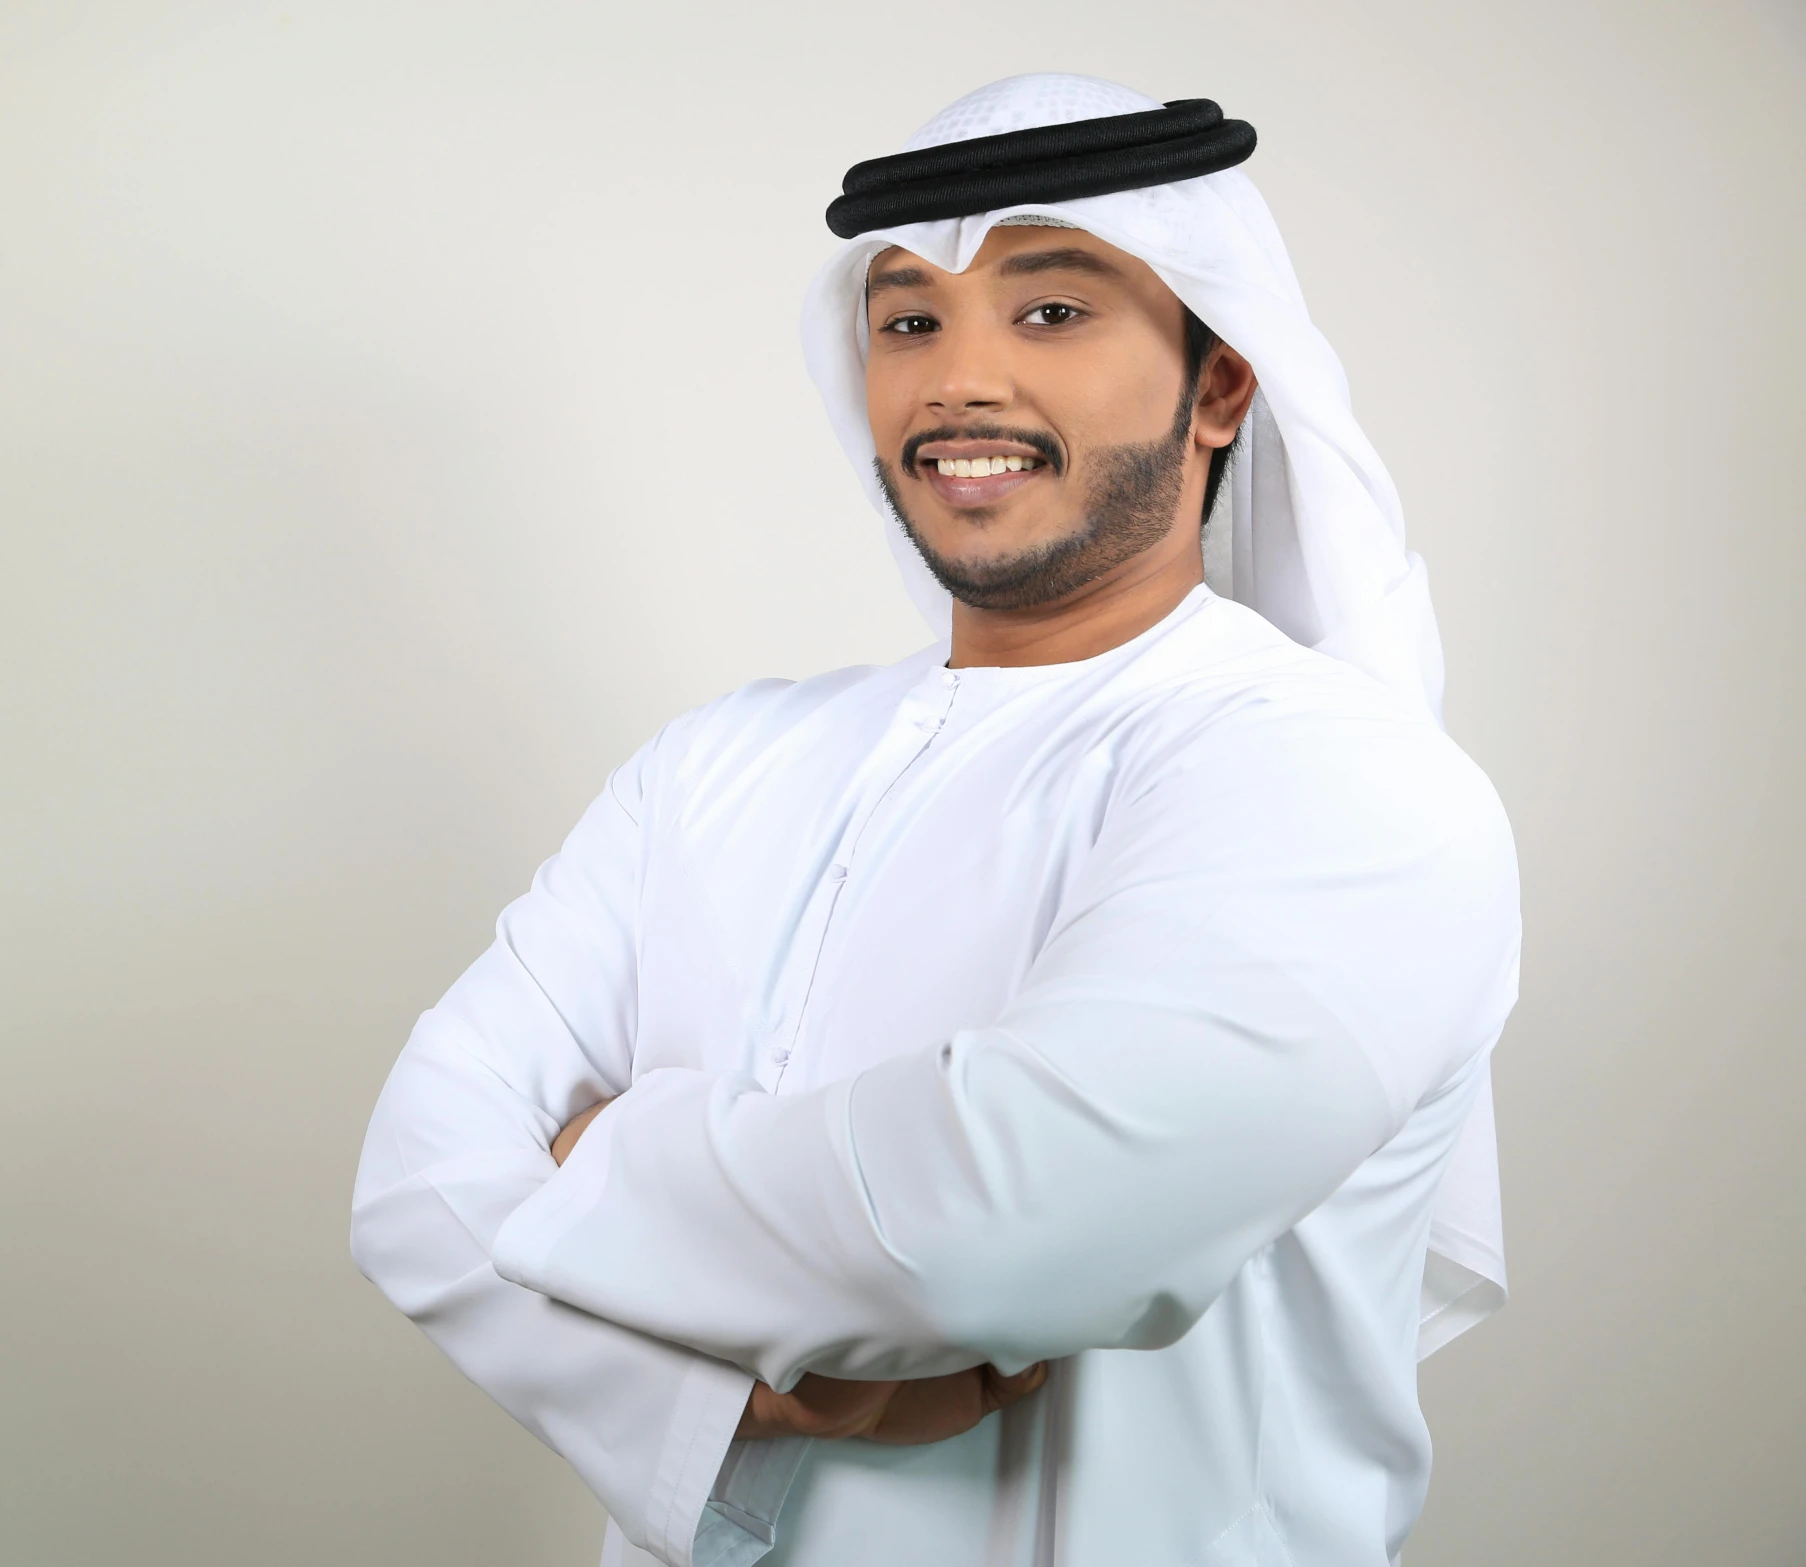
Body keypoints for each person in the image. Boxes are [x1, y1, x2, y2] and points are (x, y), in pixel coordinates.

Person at [350, 73, 1518, 1567]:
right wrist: (728, 1400)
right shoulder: (717, 761)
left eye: (1049, 312)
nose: (958, 381)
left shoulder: (1341, 777)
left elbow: (1006, 1222)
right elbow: (414, 1171)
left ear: (1219, 383)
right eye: (909, 320)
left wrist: (596, 1150)